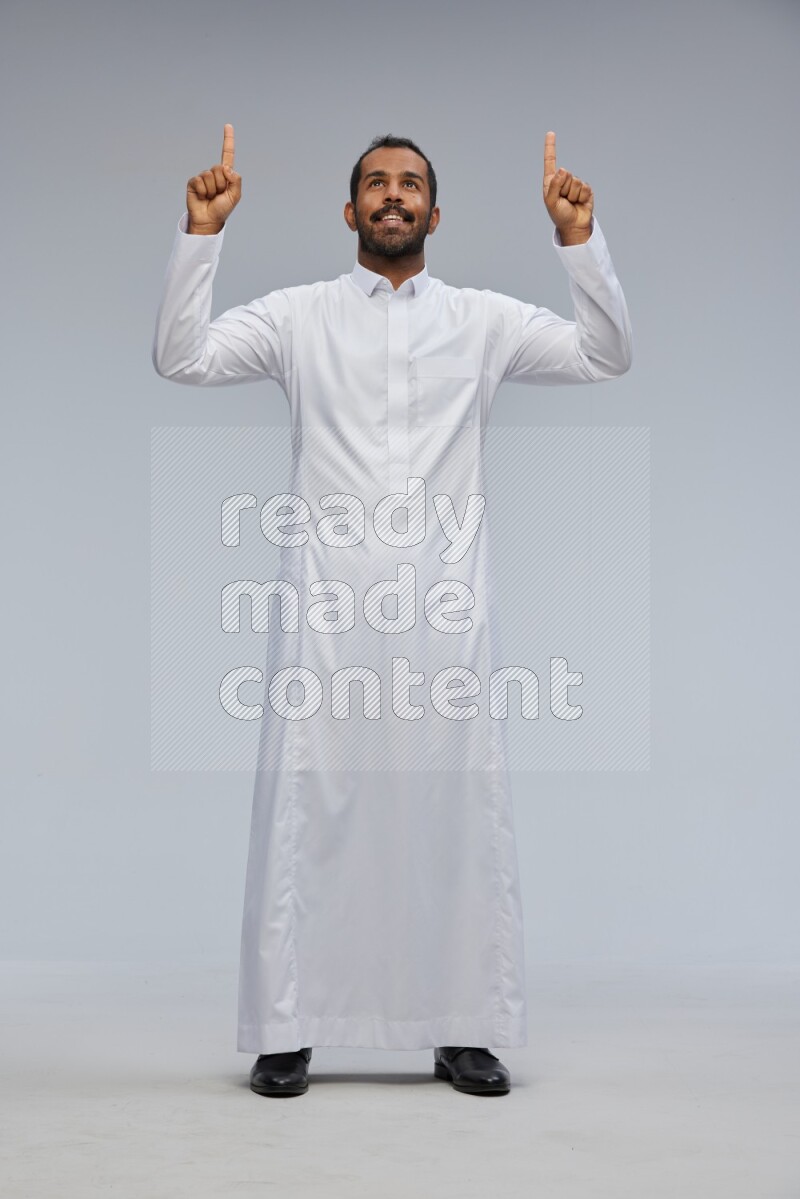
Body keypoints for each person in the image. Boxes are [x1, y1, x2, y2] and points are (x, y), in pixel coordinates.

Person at [152, 124, 632, 1098]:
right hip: (323, 609)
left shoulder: (480, 319)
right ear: (349, 211)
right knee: (306, 808)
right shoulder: (299, 316)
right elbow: (181, 356)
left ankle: (463, 1027)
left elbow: (604, 354)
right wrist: (200, 234)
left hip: (444, 613)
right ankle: (286, 1027)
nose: (391, 195)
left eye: (409, 183)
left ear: (433, 213)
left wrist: (578, 242)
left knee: (455, 811)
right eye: (374, 183)